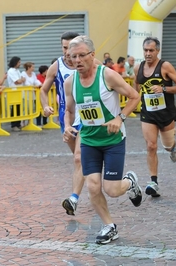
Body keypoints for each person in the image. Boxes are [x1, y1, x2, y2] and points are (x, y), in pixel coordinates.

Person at [63, 35, 142, 244]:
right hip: (89, 140)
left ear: (92, 55)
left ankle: (130, 182)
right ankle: (109, 226)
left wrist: (120, 117)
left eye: (81, 55)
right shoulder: (70, 82)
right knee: (92, 187)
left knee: (112, 190)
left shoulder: (107, 76)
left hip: (113, 139)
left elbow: (135, 96)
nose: (77, 60)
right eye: (73, 57)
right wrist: (67, 126)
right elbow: (69, 110)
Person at [134, 36, 176, 198]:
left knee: (167, 145)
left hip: (166, 113)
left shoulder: (165, 66)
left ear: (158, 51)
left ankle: (172, 147)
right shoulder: (138, 67)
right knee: (151, 146)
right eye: (145, 50)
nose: (148, 53)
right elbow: (137, 89)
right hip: (148, 113)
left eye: (151, 50)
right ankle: (153, 182)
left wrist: (163, 89)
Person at [40, 31, 84, 216]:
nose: (67, 52)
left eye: (70, 47)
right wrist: (45, 106)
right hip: (67, 120)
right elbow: (43, 90)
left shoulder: (87, 63)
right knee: (80, 158)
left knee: (78, 158)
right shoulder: (56, 66)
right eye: (64, 47)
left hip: (87, 118)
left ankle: (73, 199)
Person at [7, 56, 26, 131]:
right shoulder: (11, 71)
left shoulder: (17, 71)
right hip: (14, 91)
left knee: (18, 108)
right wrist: (21, 80)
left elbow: (22, 79)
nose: (20, 64)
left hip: (19, 92)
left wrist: (21, 80)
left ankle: (18, 123)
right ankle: (14, 124)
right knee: (14, 108)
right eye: (19, 62)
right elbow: (17, 81)